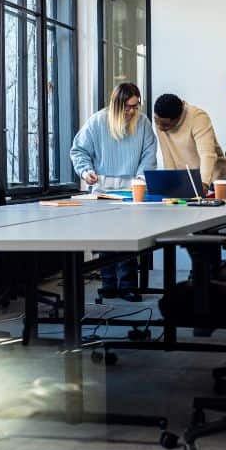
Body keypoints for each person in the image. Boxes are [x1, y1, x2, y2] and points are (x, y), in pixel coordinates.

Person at [70, 83, 156, 301]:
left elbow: (149, 154)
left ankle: (127, 285)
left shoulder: (143, 123)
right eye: (128, 107)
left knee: (128, 239)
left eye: (136, 106)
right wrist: (85, 171)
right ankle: (108, 283)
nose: (132, 111)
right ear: (116, 105)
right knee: (106, 239)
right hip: (103, 188)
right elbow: (79, 150)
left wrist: (141, 178)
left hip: (131, 189)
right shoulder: (98, 121)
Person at [152, 94, 226, 193]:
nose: (160, 128)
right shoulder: (161, 121)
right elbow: (168, 156)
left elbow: (207, 155)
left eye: (165, 125)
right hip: (186, 181)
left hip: (211, 180)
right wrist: (171, 184)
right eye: (157, 121)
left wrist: (203, 184)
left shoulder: (198, 117)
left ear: (178, 118)